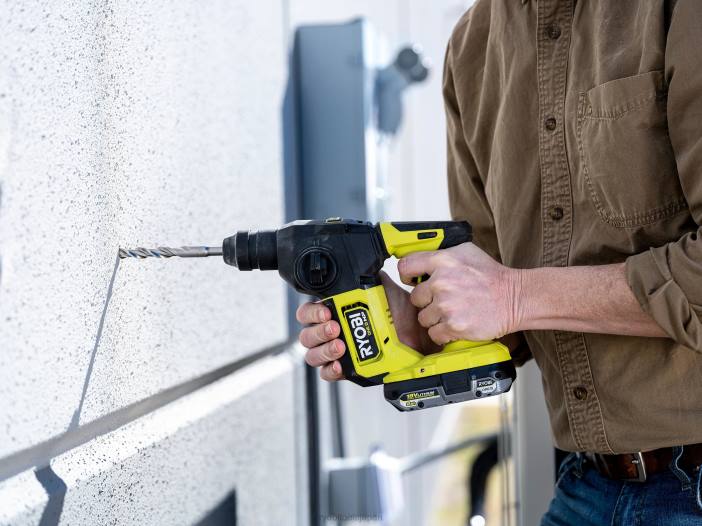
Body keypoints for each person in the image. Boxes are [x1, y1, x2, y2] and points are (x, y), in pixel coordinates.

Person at [297, 1, 702, 523]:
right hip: (589, 488)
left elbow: (506, 294)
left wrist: (513, 296)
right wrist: (421, 327)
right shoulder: (472, 45)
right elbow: (495, 303)